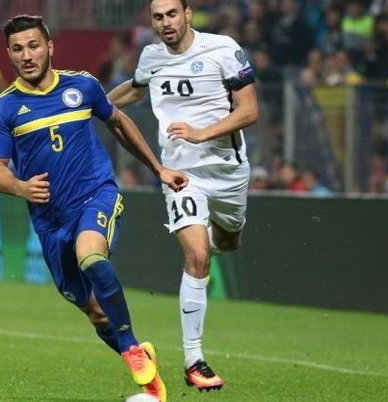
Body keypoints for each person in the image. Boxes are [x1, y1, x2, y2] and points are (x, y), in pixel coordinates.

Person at [0, 15, 188, 401]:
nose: (27, 55)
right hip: (49, 221)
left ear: (49, 47)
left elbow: (119, 123)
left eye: (33, 46)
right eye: (17, 49)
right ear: (8, 54)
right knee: (95, 312)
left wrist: (158, 169)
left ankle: (131, 348)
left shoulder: (83, 86)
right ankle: (150, 378)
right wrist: (20, 186)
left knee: (91, 256)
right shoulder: (4, 108)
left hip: (95, 195)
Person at [107, 0, 259, 391]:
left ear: (187, 14)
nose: (165, 23)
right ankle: (194, 360)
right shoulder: (151, 57)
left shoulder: (223, 49)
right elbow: (136, 90)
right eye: (158, 17)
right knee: (197, 256)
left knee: (229, 241)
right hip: (180, 173)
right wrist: (94, 104)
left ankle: (210, 244)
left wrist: (200, 133)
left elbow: (248, 111)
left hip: (228, 171)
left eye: (172, 14)